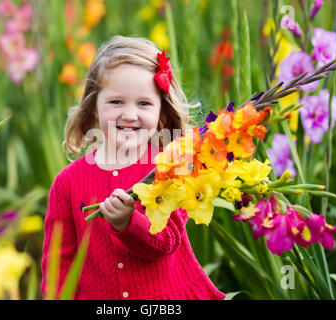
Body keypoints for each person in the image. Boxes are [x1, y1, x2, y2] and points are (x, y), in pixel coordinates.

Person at [41, 35, 225, 300]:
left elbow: (166, 242)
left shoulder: (172, 167)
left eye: (144, 103)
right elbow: (60, 266)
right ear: (94, 107)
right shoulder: (67, 183)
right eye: (116, 102)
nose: (129, 114)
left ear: (161, 110)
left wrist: (129, 223)